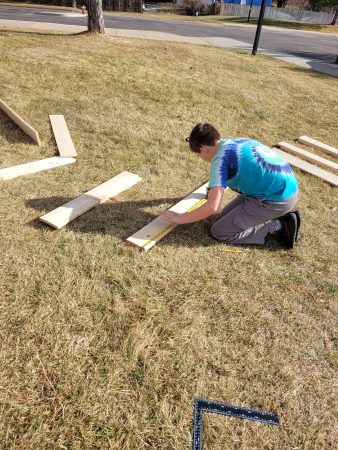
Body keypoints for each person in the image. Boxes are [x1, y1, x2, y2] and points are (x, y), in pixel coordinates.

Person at [157, 123, 301, 249]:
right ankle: (266, 217)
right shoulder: (238, 141)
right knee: (224, 217)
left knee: (220, 231)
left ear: (204, 150)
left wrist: (181, 218)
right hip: (281, 188)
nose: (200, 158)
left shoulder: (220, 161)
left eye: (198, 154)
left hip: (276, 200)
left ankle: (278, 225)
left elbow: (212, 208)